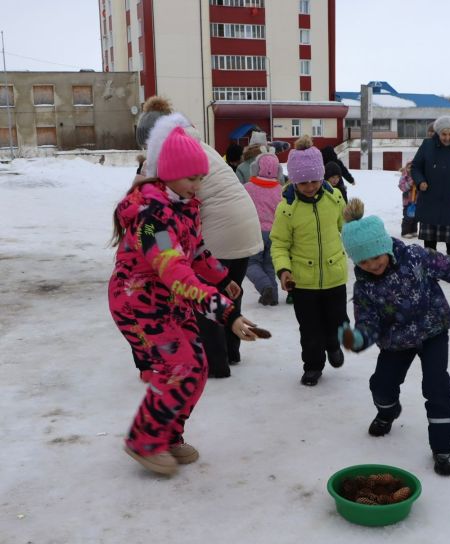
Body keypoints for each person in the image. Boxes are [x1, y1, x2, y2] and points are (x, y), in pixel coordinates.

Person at [108, 124, 263, 476]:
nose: (198, 186)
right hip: (138, 302)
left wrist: (223, 278)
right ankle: (144, 440)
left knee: (199, 365)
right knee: (178, 368)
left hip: (170, 301)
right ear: (170, 175)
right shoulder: (152, 218)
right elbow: (174, 269)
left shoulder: (186, 206)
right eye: (191, 178)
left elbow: (194, 251)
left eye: (201, 178)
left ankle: (169, 435)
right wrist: (226, 314)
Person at [338, 199, 450, 476]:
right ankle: (388, 411)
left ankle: (443, 447)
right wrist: (359, 338)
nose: (371, 265)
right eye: (363, 261)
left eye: (375, 256)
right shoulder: (364, 286)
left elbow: (448, 266)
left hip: (433, 330)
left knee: (437, 387)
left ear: (385, 246)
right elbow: (368, 322)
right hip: (396, 340)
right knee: (381, 384)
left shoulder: (416, 257)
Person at [138, 100, 263, 378]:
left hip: (218, 232)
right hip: (245, 225)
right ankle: (232, 352)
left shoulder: (166, 158)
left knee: (203, 299)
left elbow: (161, 206)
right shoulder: (200, 145)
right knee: (230, 288)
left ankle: (216, 365)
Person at [270, 135, 348, 386]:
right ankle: (313, 365)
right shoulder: (287, 209)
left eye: (315, 180)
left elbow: (345, 227)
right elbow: (280, 244)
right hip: (303, 282)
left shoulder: (334, 198)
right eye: (303, 182)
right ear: (293, 180)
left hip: (335, 276)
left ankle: (334, 343)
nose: (310, 186)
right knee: (310, 329)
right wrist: (284, 271)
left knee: (337, 320)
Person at [411, 115, 450, 259]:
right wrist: (420, 181)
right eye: (444, 134)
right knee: (429, 244)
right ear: (437, 133)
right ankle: (431, 267)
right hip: (430, 200)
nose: (447, 138)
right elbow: (416, 167)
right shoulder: (427, 145)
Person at [244, 153, 283, 306]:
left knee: (251, 264)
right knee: (269, 265)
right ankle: (272, 296)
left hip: (254, 232)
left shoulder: (247, 188)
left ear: (255, 168)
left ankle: (265, 287)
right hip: (274, 233)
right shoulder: (280, 189)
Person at [398, 161, 418, 238]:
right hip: (408, 201)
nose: (411, 169)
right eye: (409, 167)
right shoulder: (404, 177)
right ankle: (405, 231)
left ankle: (413, 230)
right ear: (406, 168)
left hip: (416, 200)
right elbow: (402, 187)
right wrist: (410, 183)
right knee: (408, 216)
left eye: (412, 167)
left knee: (415, 217)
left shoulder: (417, 176)